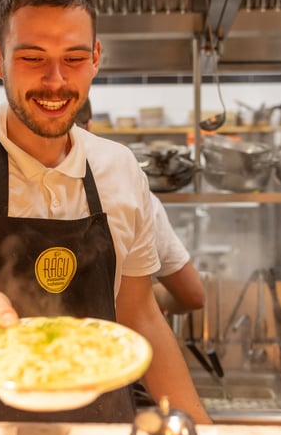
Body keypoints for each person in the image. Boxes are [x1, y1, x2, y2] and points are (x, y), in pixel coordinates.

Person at [0, 0, 211, 424]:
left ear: (96, 58)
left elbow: (141, 318)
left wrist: (201, 430)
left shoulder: (119, 168)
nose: (56, 80)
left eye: (74, 58)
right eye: (33, 58)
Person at [75, 99, 205, 315]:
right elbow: (193, 295)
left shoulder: (129, 180)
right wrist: (153, 298)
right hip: (116, 334)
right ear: (89, 126)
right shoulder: (129, 188)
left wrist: (142, 301)